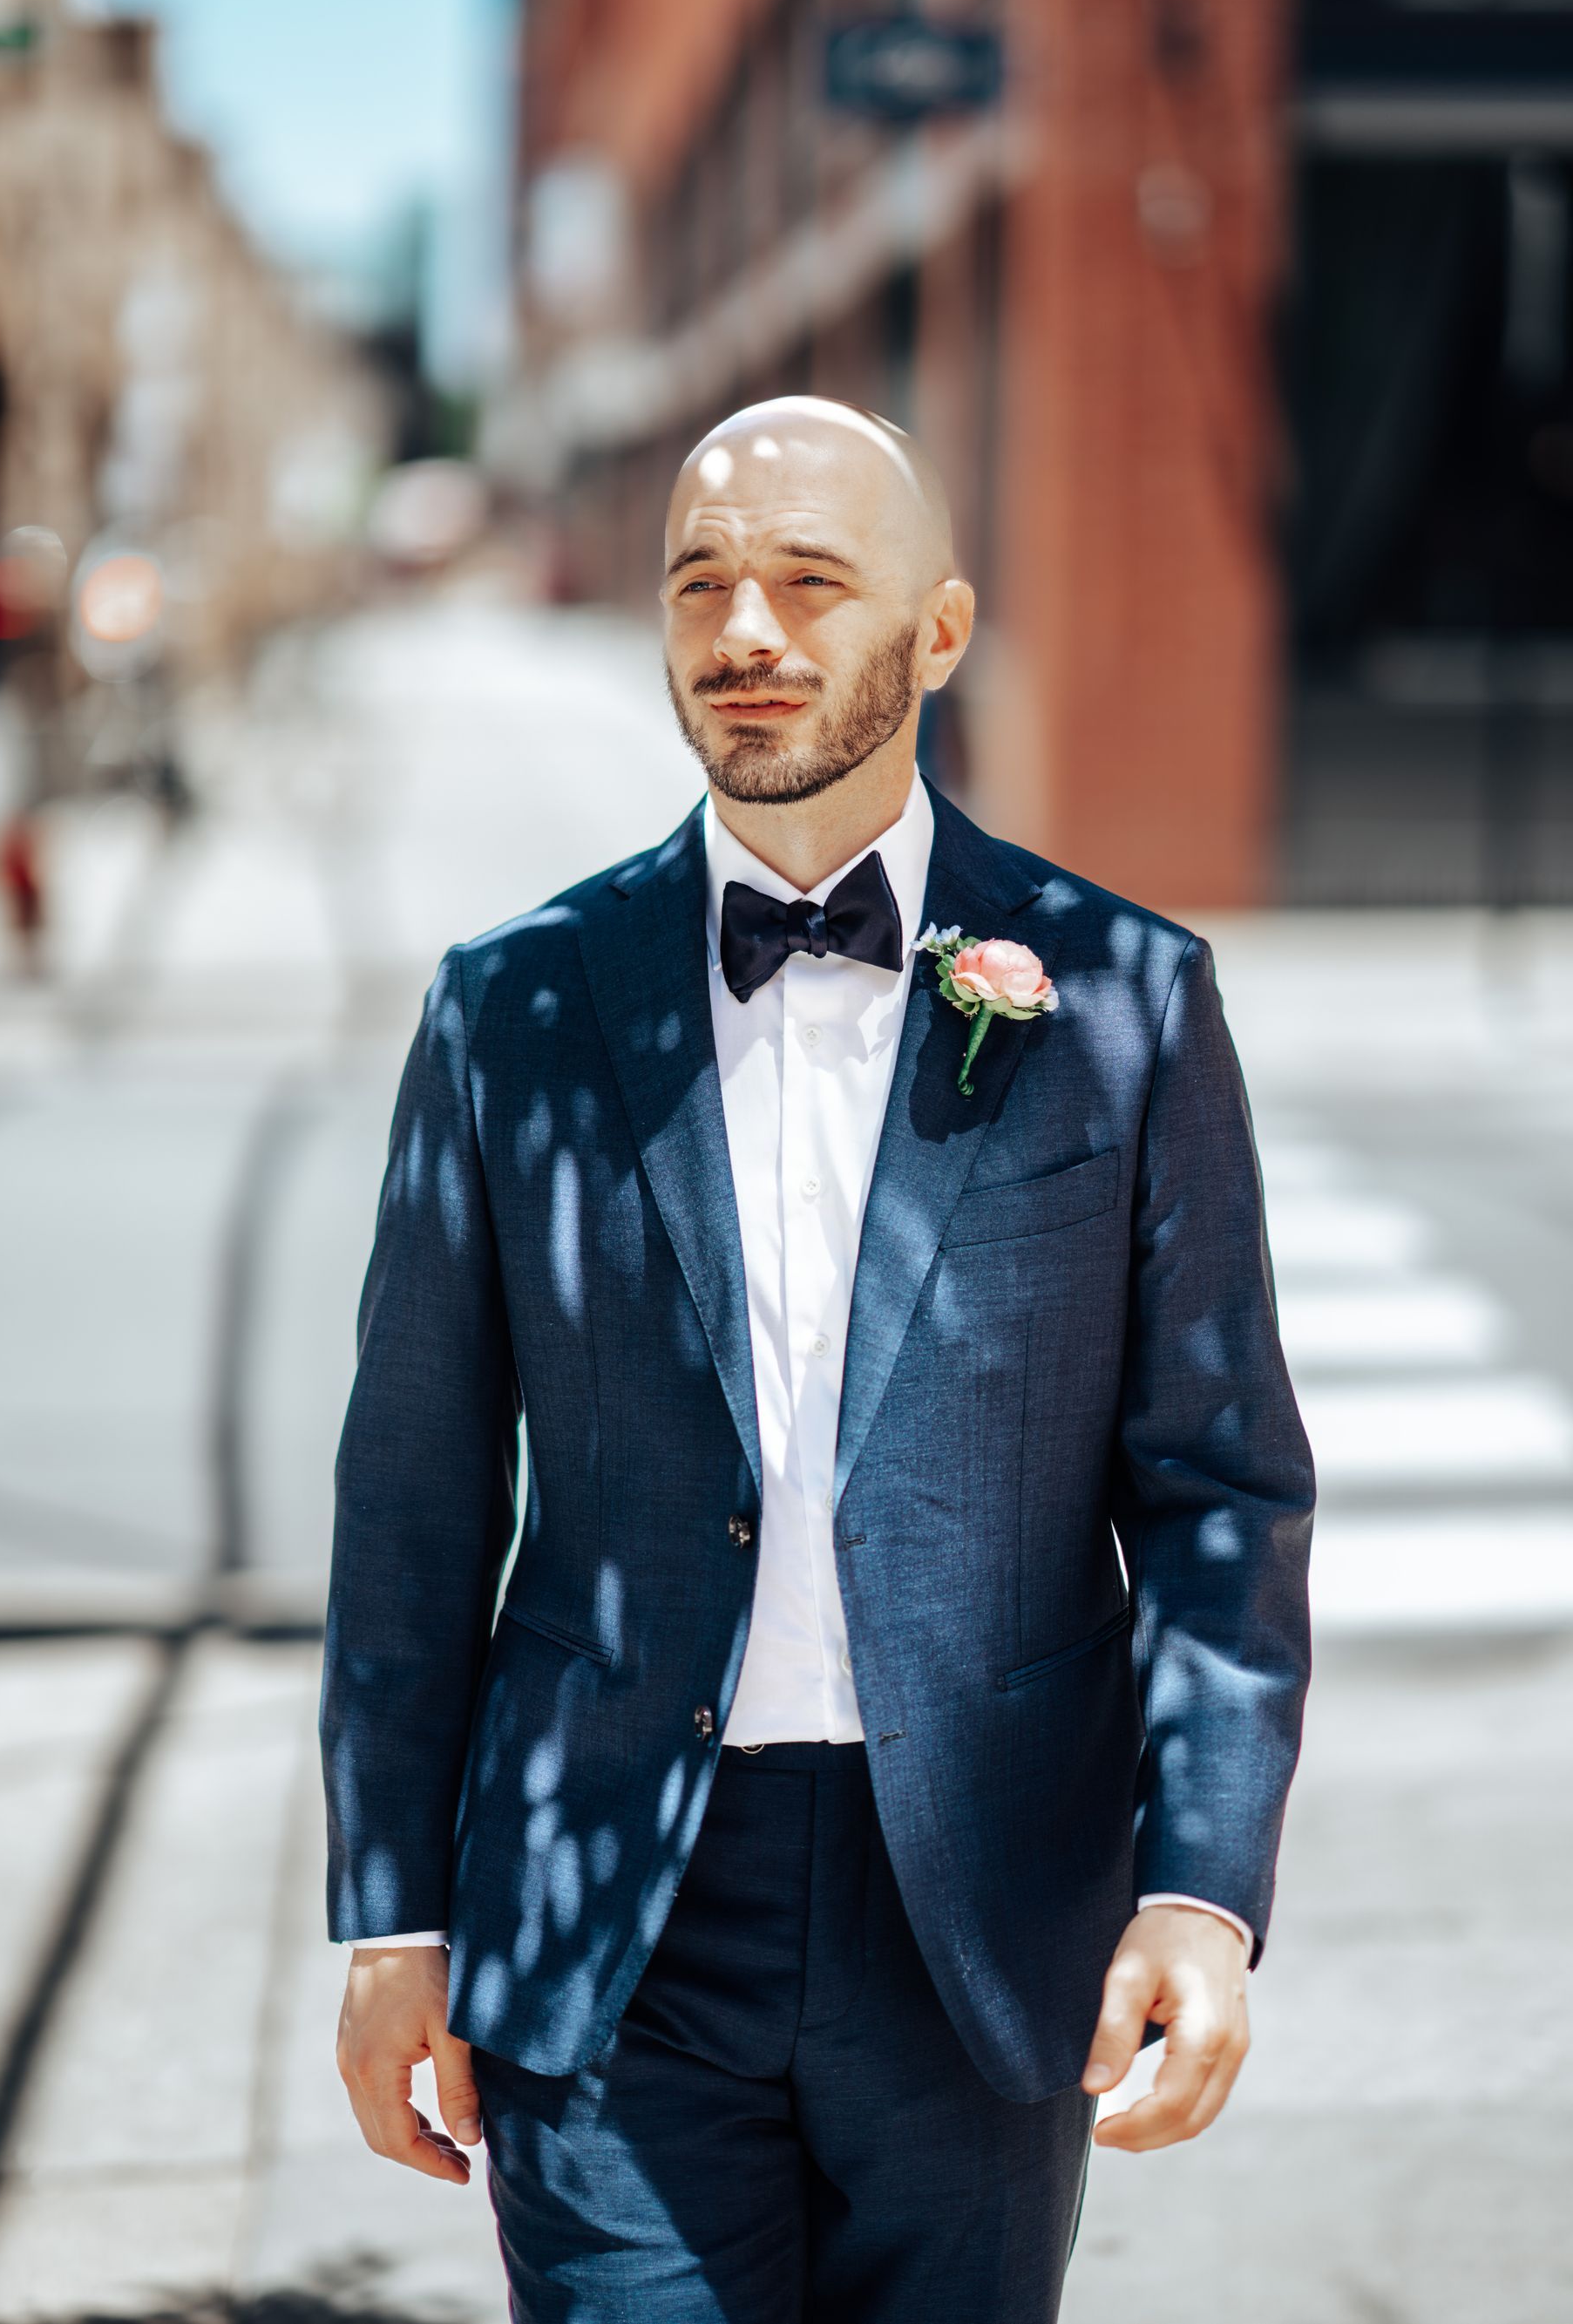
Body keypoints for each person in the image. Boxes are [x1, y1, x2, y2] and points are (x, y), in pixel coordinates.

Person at [322, 397, 1314, 2322]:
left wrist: (1199, 1883)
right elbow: (416, 1492)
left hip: (977, 1907)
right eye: (703, 583)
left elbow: (1219, 1483)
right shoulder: (509, 1006)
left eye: (807, 580)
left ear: (938, 631)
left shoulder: (1122, 996)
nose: (747, 629)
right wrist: (393, 1908)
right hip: (605, 1906)